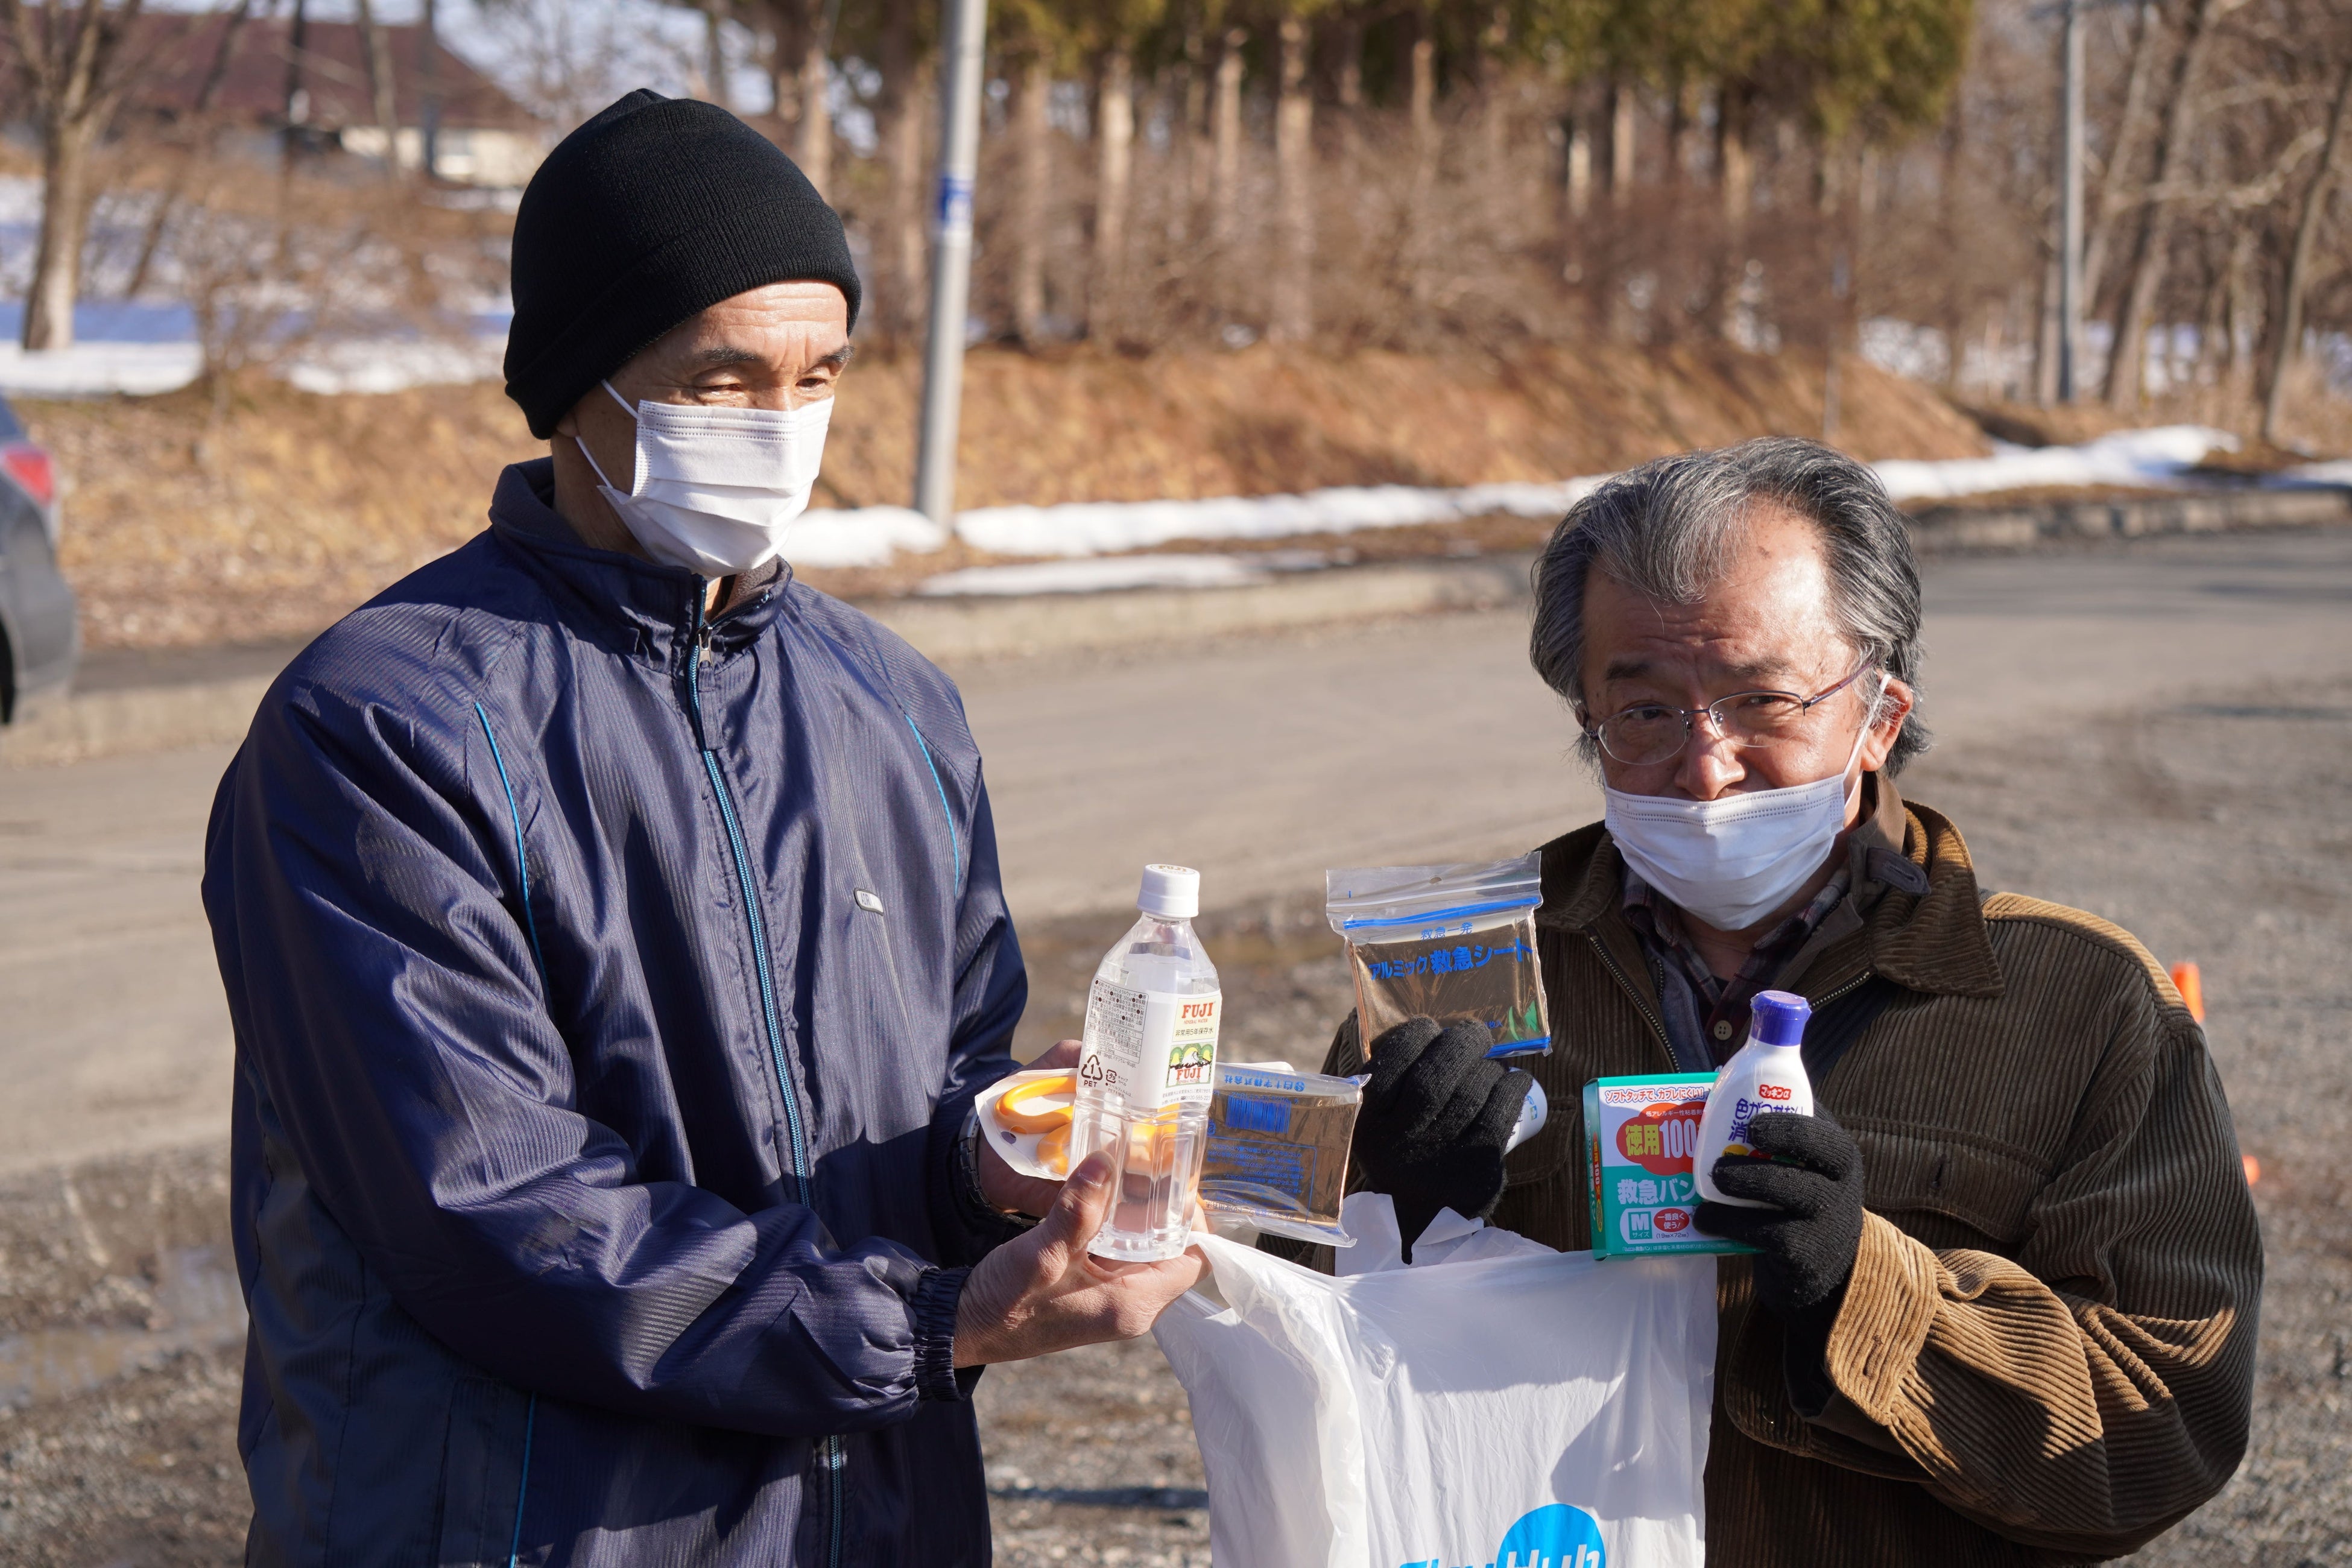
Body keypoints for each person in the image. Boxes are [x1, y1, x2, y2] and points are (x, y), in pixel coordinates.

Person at [201, 90, 1200, 1567]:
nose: (782, 426)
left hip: (867, 1517)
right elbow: (502, 1217)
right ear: (576, 389)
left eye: (819, 375)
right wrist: (937, 1320)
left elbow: (930, 1086)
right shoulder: (382, 725)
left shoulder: (891, 704)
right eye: (721, 381)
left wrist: (993, 1160)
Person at [1332, 437, 2262, 1564]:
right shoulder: (1453, 971)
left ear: (1877, 714)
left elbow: (2164, 1427)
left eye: (1761, 700)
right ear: (1587, 716)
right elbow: (1272, 1345)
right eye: (1646, 713)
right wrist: (1391, 1213)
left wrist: (1859, 1297)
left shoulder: (2074, 1002)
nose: (1706, 767)